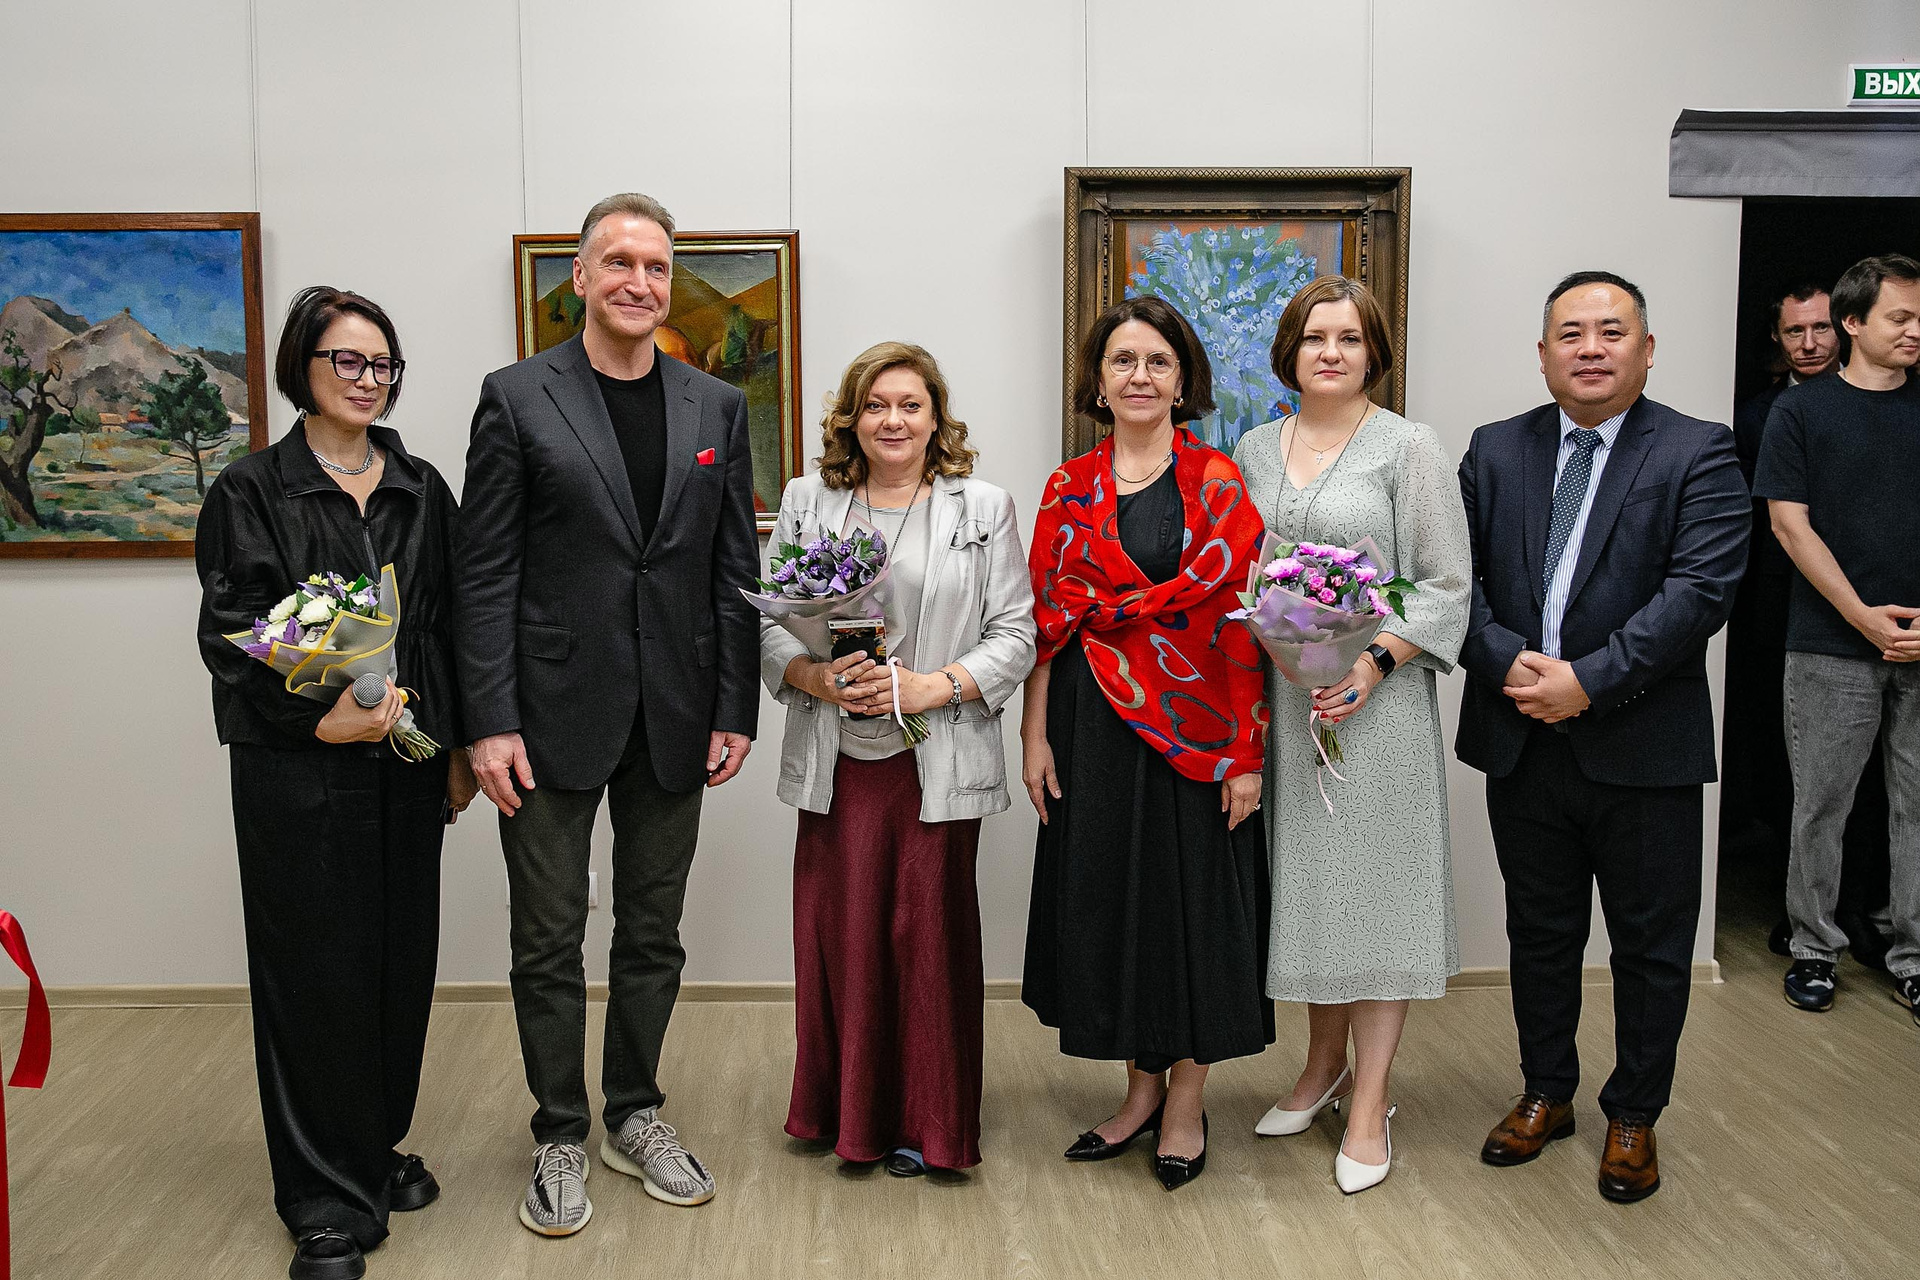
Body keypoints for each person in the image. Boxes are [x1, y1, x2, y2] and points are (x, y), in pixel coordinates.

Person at [455, 193, 761, 1235]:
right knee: (548, 937)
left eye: (657, 265)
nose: (639, 280)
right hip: (544, 716)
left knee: (653, 932)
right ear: (579, 278)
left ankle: (634, 1112)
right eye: (618, 261)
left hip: (677, 709)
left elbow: (734, 567)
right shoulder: (516, 398)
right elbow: (483, 572)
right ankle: (558, 1130)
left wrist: (734, 704)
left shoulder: (716, 407)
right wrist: (488, 720)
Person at [196, 286, 475, 1280]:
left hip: (405, 768)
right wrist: (318, 718)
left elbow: (449, 622)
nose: (368, 379)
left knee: (398, 965)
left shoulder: (420, 485)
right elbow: (231, 635)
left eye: (381, 363)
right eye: (346, 361)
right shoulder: (251, 490)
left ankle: (370, 1147)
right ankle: (322, 1199)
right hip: (296, 773)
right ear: (302, 370)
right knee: (315, 977)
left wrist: (454, 749)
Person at [1456, 271, 1748, 1203]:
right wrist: (1505, 663)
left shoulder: (1698, 450)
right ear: (1543, 354)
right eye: (1571, 332)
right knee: (1540, 933)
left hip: (1643, 746)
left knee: (1651, 947)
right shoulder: (1496, 449)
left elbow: (1700, 592)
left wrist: (1588, 682)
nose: (1591, 348)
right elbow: (1451, 580)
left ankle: (1634, 1114)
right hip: (1522, 738)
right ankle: (1547, 1091)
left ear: (1647, 350)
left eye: (1612, 331)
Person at [761, 342, 1037, 1177]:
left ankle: (930, 1125)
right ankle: (843, 1116)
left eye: (910, 405)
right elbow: (767, 622)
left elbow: (1016, 635)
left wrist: (931, 687)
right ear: (852, 418)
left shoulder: (982, 506)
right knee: (840, 940)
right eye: (876, 404)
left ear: (935, 417)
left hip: (935, 760)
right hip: (836, 759)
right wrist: (815, 676)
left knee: (927, 944)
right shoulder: (808, 501)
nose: (893, 420)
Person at [1022, 295, 1271, 1192]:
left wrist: (1246, 755)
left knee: (1191, 913)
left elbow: (1244, 622)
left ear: (1182, 379)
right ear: (1098, 380)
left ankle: (1185, 1105)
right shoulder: (1066, 486)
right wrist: (1034, 734)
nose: (1139, 376)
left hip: (1197, 731)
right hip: (1091, 728)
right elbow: (1048, 624)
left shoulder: (1216, 481)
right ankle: (1136, 1095)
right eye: (1123, 360)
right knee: (1116, 910)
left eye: (1158, 361)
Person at [1230, 276, 1470, 1195]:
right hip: (1287, 707)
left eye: (1350, 338)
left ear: (1375, 353)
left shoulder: (1410, 447)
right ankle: (1319, 1067)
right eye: (1314, 337)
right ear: (1289, 352)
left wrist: (1369, 664)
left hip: (1377, 707)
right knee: (1311, 893)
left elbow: (1445, 583)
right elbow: (1242, 573)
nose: (1330, 353)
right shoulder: (1254, 447)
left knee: (1375, 897)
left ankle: (1370, 1103)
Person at [1755, 253, 1920, 1024]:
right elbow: (1790, 526)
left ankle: (1912, 958)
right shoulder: (1800, 413)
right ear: (1854, 322)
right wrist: (1862, 615)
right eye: (1901, 316)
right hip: (1828, 640)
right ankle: (1814, 949)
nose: (1915, 330)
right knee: (1821, 804)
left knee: (1916, 807)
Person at [1722, 285, 1891, 963]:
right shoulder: (1757, 417)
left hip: (1879, 611)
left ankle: (1861, 910)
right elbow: (1760, 528)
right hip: (1781, 612)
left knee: (1875, 779)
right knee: (1791, 768)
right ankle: (1800, 914)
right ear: (1777, 338)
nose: (1811, 343)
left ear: (1844, 328)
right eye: (1796, 332)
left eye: (1821, 328)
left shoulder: (1889, 405)